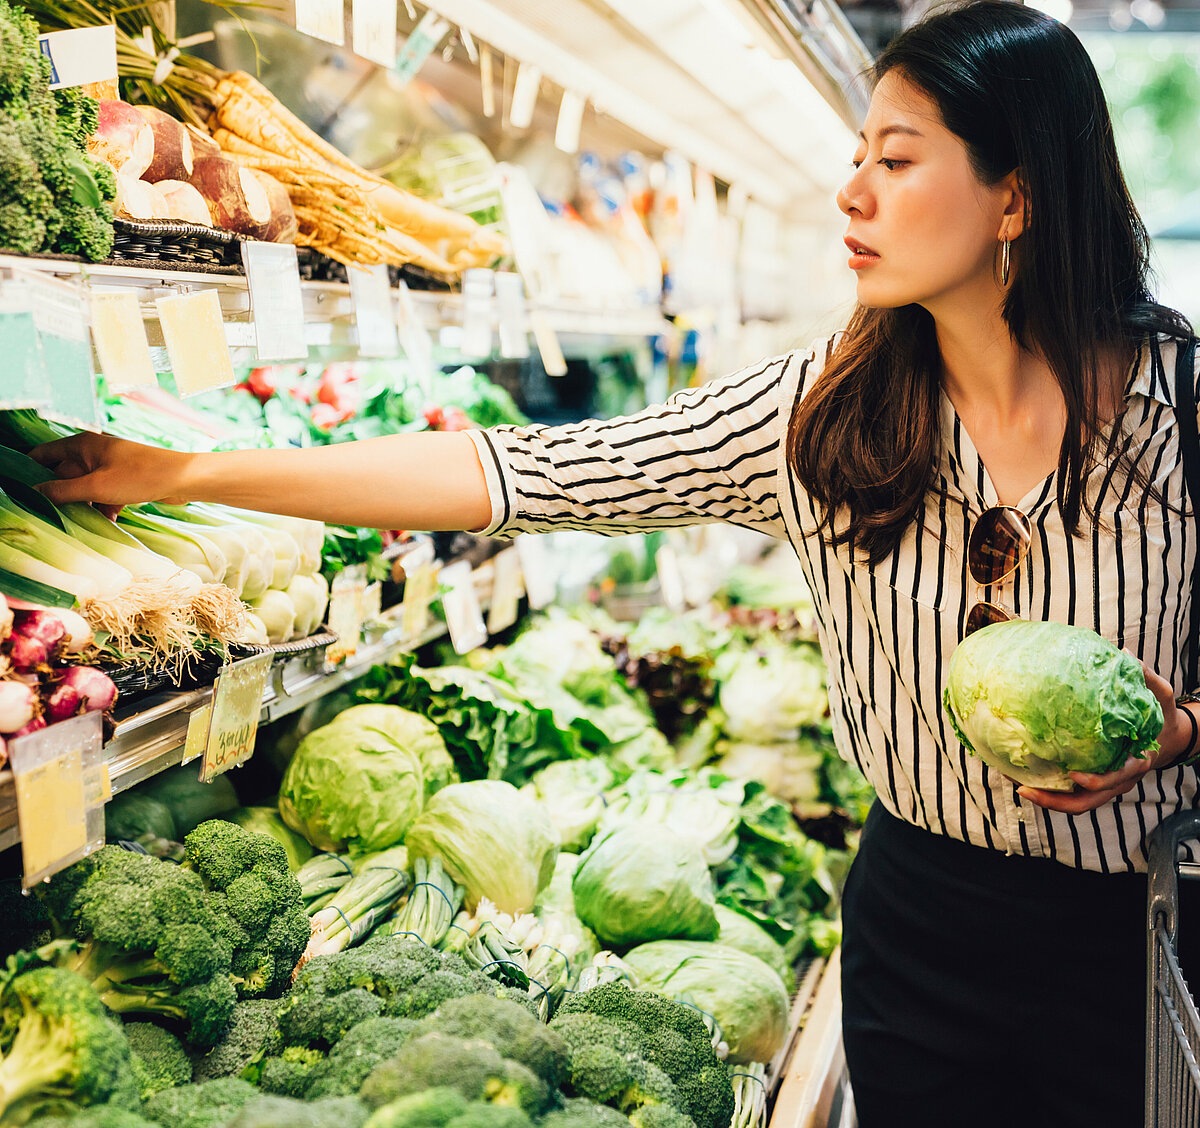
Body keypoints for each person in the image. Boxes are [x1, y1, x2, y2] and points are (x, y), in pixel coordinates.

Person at [31, 3, 1200, 1124]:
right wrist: (180, 473)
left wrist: (1182, 729)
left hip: (1140, 927)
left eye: (896, 161)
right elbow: (521, 474)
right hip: (923, 918)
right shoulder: (820, 418)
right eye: (857, 156)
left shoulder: (1182, 412)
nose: (851, 192)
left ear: (1016, 196)